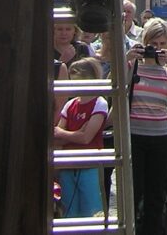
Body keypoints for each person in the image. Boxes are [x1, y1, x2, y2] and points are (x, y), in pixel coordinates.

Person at [127, 18, 167, 235]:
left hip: (161, 136)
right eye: (154, 44)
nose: (158, 49)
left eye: (162, 44)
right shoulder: (134, 65)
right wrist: (127, 59)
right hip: (135, 134)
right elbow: (120, 90)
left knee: (156, 190)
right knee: (134, 188)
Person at [53, 57, 108, 218]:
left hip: (89, 166)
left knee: (91, 213)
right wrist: (76, 134)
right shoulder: (71, 104)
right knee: (69, 213)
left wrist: (68, 134)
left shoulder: (100, 103)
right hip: (68, 165)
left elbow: (86, 138)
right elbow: (57, 136)